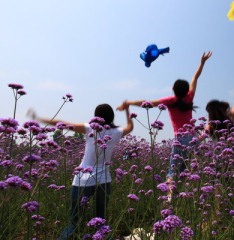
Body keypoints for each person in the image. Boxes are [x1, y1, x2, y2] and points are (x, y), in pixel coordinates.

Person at [27, 103, 133, 239]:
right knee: (101, 221)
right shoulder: (116, 132)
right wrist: (127, 109)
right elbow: (130, 127)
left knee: (74, 222)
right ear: (112, 117)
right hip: (104, 180)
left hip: (83, 179)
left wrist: (39, 119)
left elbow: (63, 124)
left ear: (96, 117)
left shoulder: (90, 128)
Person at [117, 51, 212, 200]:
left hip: (180, 139)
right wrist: (202, 63)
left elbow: (147, 103)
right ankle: (188, 198)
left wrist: (129, 103)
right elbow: (195, 78)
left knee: (172, 171)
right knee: (188, 170)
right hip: (193, 139)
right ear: (186, 90)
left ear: (174, 89)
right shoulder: (189, 97)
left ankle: (170, 199)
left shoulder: (170, 100)